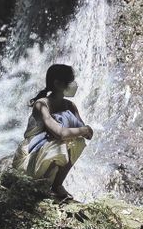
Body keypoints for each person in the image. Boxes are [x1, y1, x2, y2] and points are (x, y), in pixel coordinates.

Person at [12, 64, 94, 199]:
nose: (74, 84)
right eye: (70, 81)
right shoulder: (41, 104)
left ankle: (57, 185)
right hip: (29, 157)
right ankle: (42, 185)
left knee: (77, 141)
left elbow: (86, 135)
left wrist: (85, 131)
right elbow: (60, 133)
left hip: (45, 151)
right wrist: (84, 130)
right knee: (61, 141)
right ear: (57, 83)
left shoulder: (70, 105)